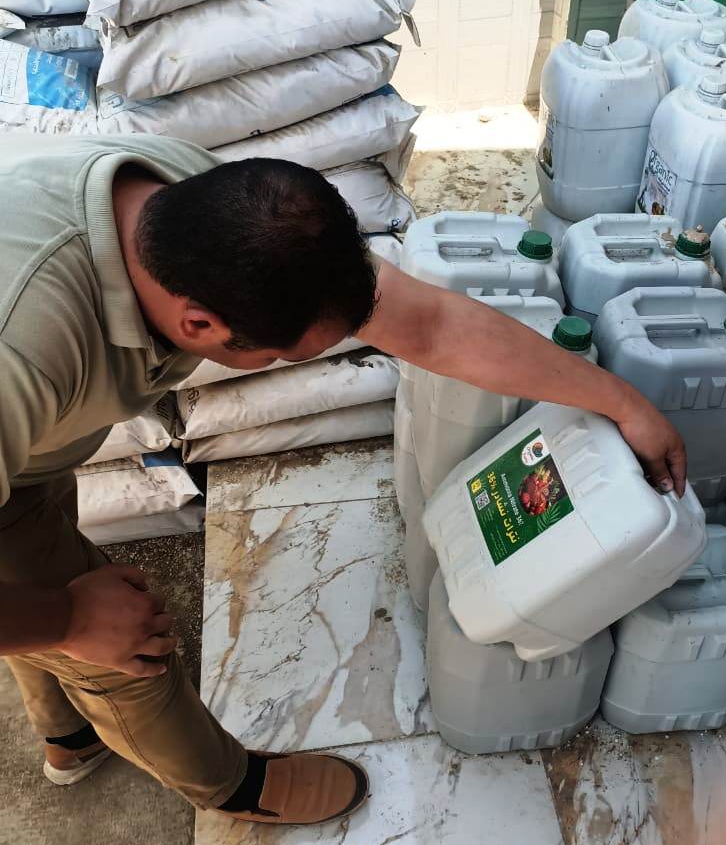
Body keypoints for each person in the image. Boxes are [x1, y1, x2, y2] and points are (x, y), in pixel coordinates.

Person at [0, 133, 686, 827]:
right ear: (199, 322)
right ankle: (233, 788)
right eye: (280, 356)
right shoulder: (22, 347)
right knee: (126, 654)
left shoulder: (216, 212)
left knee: (39, 568)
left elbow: (431, 325)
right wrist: (70, 620)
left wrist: (620, 401)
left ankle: (69, 736)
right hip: (17, 441)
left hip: (30, 459)